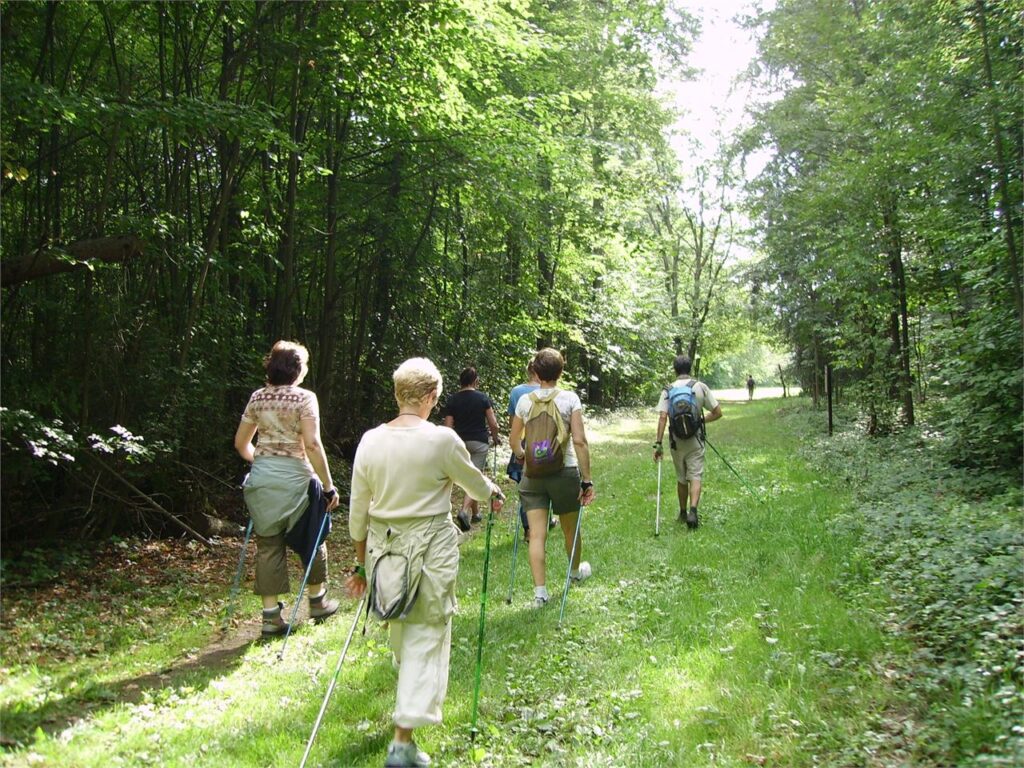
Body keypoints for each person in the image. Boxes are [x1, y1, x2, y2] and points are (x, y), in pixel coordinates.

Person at [346, 358, 504, 768]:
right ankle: (402, 742)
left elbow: (357, 512)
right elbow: (473, 482)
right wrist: (494, 494)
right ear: (431, 397)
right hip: (430, 547)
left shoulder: (370, 441)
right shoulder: (440, 441)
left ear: (398, 394)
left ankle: (407, 712)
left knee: (402, 626)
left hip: (384, 549)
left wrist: (361, 564)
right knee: (425, 634)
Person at [234, 340, 341, 638]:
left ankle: (271, 618)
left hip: (262, 479)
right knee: (314, 535)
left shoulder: (257, 398)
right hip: (297, 481)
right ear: (297, 369)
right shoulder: (305, 399)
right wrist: (329, 487)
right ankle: (318, 602)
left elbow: (241, 444)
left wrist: (265, 461)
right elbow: (312, 444)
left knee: (268, 546)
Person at [508, 348, 596, 608]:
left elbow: (514, 440)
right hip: (565, 472)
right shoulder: (570, 399)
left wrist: (523, 455)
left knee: (536, 534)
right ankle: (574, 573)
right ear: (561, 371)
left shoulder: (524, 400)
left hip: (533, 475)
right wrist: (587, 479)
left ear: (535, 371)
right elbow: (579, 441)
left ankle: (540, 593)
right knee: (571, 529)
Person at [653, 355, 722, 529]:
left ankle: (682, 513)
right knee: (695, 475)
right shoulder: (699, 387)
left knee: (681, 477)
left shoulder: (668, 389)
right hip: (695, 439)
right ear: (690, 368)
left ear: (675, 370)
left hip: (676, 441)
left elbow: (662, 417)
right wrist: (700, 421)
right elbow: (717, 412)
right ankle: (693, 511)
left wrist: (658, 443)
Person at [440, 367, 500, 530]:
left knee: (468, 475)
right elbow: (493, 423)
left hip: (460, 442)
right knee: (475, 476)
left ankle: (476, 513)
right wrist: (495, 437)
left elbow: (448, 425)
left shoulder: (453, 399)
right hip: (479, 443)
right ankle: (465, 511)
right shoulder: (482, 398)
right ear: (475, 381)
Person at [506, 361, 540, 538]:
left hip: (521, 442)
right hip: (543, 443)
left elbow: (513, 423)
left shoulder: (516, 392)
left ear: (528, 371)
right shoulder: (547, 391)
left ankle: (528, 529)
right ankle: (542, 522)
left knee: (524, 488)